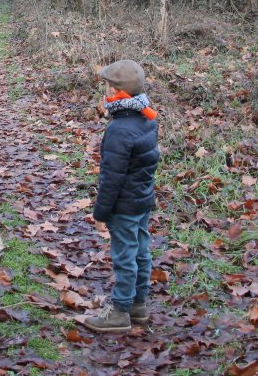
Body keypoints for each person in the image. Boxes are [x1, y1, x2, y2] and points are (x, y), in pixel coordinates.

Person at [81, 59, 160, 333]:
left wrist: (101, 213)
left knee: (125, 257)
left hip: (124, 207)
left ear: (116, 92)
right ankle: (139, 304)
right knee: (141, 252)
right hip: (142, 201)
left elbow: (111, 178)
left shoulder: (119, 129)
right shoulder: (147, 118)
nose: (105, 90)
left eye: (107, 86)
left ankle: (120, 312)